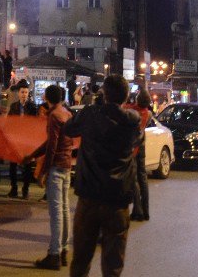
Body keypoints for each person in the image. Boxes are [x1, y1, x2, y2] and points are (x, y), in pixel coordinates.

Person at [63, 74, 140, 277]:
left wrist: (95, 107)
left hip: (89, 197)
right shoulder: (132, 121)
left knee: (81, 259)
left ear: (104, 94)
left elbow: (68, 128)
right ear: (126, 97)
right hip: (117, 200)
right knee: (113, 265)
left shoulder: (90, 115)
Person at [29, 84, 74, 270]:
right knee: (63, 210)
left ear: (46, 98)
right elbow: (54, 142)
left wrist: (43, 171)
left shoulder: (54, 116)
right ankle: (63, 251)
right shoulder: (66, 113)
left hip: (56, 167)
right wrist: (33, 155)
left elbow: (51, 146)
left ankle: (54, 254)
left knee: (56, 213)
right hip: (66, 166)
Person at [8, 81, 38, 198]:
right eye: (22, 92)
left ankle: (25, 190)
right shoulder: (14, 106)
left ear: (28, 93)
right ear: (18, 93)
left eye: (26, 92)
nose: (24, 94)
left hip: (26, 140)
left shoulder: (32, 106)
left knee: (26, 167)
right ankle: (13, 188)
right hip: (15, 139)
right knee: (13, 165)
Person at [127, 89, 152, 222]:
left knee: (134, 179)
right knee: (143, 178)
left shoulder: (132, 110)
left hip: (133, 148)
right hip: (141, 145)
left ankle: (138, 211)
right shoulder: (148, 114)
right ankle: (146, 211)